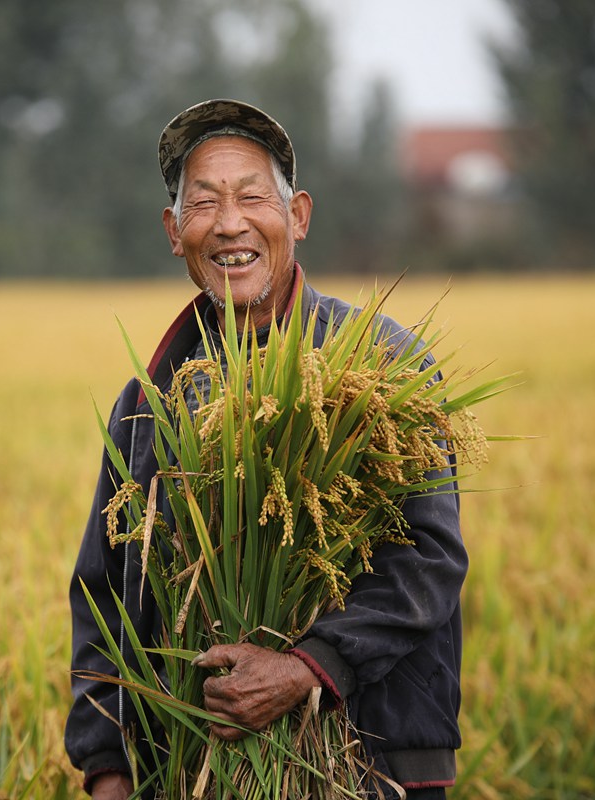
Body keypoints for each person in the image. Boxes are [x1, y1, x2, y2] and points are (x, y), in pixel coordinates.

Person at [66, 99, 466, 800]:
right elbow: (103, 593)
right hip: (187, 772)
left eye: (253, 196)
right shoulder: (147, 402)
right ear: (173, 230)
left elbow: (429, 559)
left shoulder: (377, 367)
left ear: (300, 216)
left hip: (367, 768)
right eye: (203, 203)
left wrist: (305, 669)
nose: (229, 223)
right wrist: (108, 767)